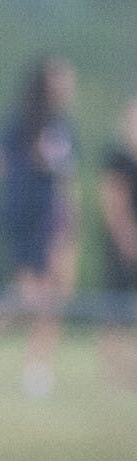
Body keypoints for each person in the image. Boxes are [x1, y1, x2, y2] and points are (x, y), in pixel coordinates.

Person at [0, 57, 79, 396]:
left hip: (54, 218)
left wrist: (69, 218)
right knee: (30, 294)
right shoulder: (21, 122)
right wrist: (20, 188)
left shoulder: (62, 126)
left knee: (56, 293)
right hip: (27, 217)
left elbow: (67, 178)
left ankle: (37, 369)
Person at [97, 96, 137, 389]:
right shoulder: (118, 159)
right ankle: (112, 371)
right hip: (123, 244)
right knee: (115, 309)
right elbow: (113, 202)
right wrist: (126, 239)